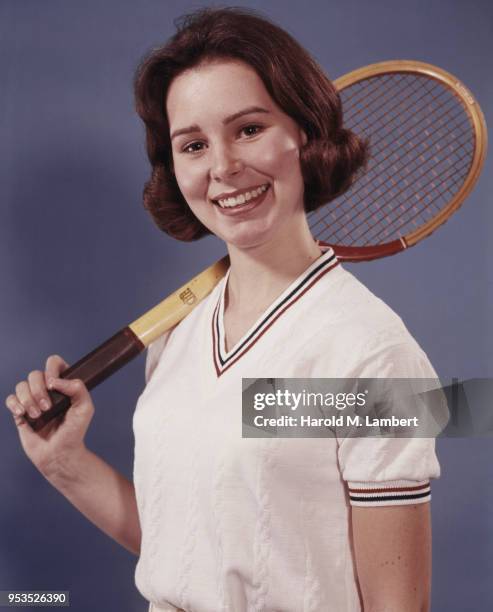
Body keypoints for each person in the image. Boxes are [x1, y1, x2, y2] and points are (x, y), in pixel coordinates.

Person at [5, 7, 440, 612]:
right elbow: (190, 553)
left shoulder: (371, 353)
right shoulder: (180, 331)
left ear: (305, 135)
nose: (223, 167)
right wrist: (66, 465)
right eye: (193, 144)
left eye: (250, 129)